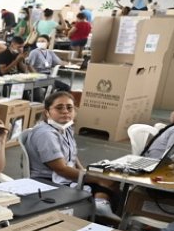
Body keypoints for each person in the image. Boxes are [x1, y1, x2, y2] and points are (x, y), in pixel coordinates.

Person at [26, 91, 121, 221]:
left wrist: (84, 172)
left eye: (69, 108)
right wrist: (94, 178)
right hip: (50, 181)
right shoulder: (46, 134)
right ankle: (98, 219)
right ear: (47, 112)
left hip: (64, 177)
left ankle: (100, 205)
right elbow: (61, 169)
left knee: (111, 179)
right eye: (59, 108)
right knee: (108, 184)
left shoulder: (64, 128)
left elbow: (72, 156)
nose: (65, 111)